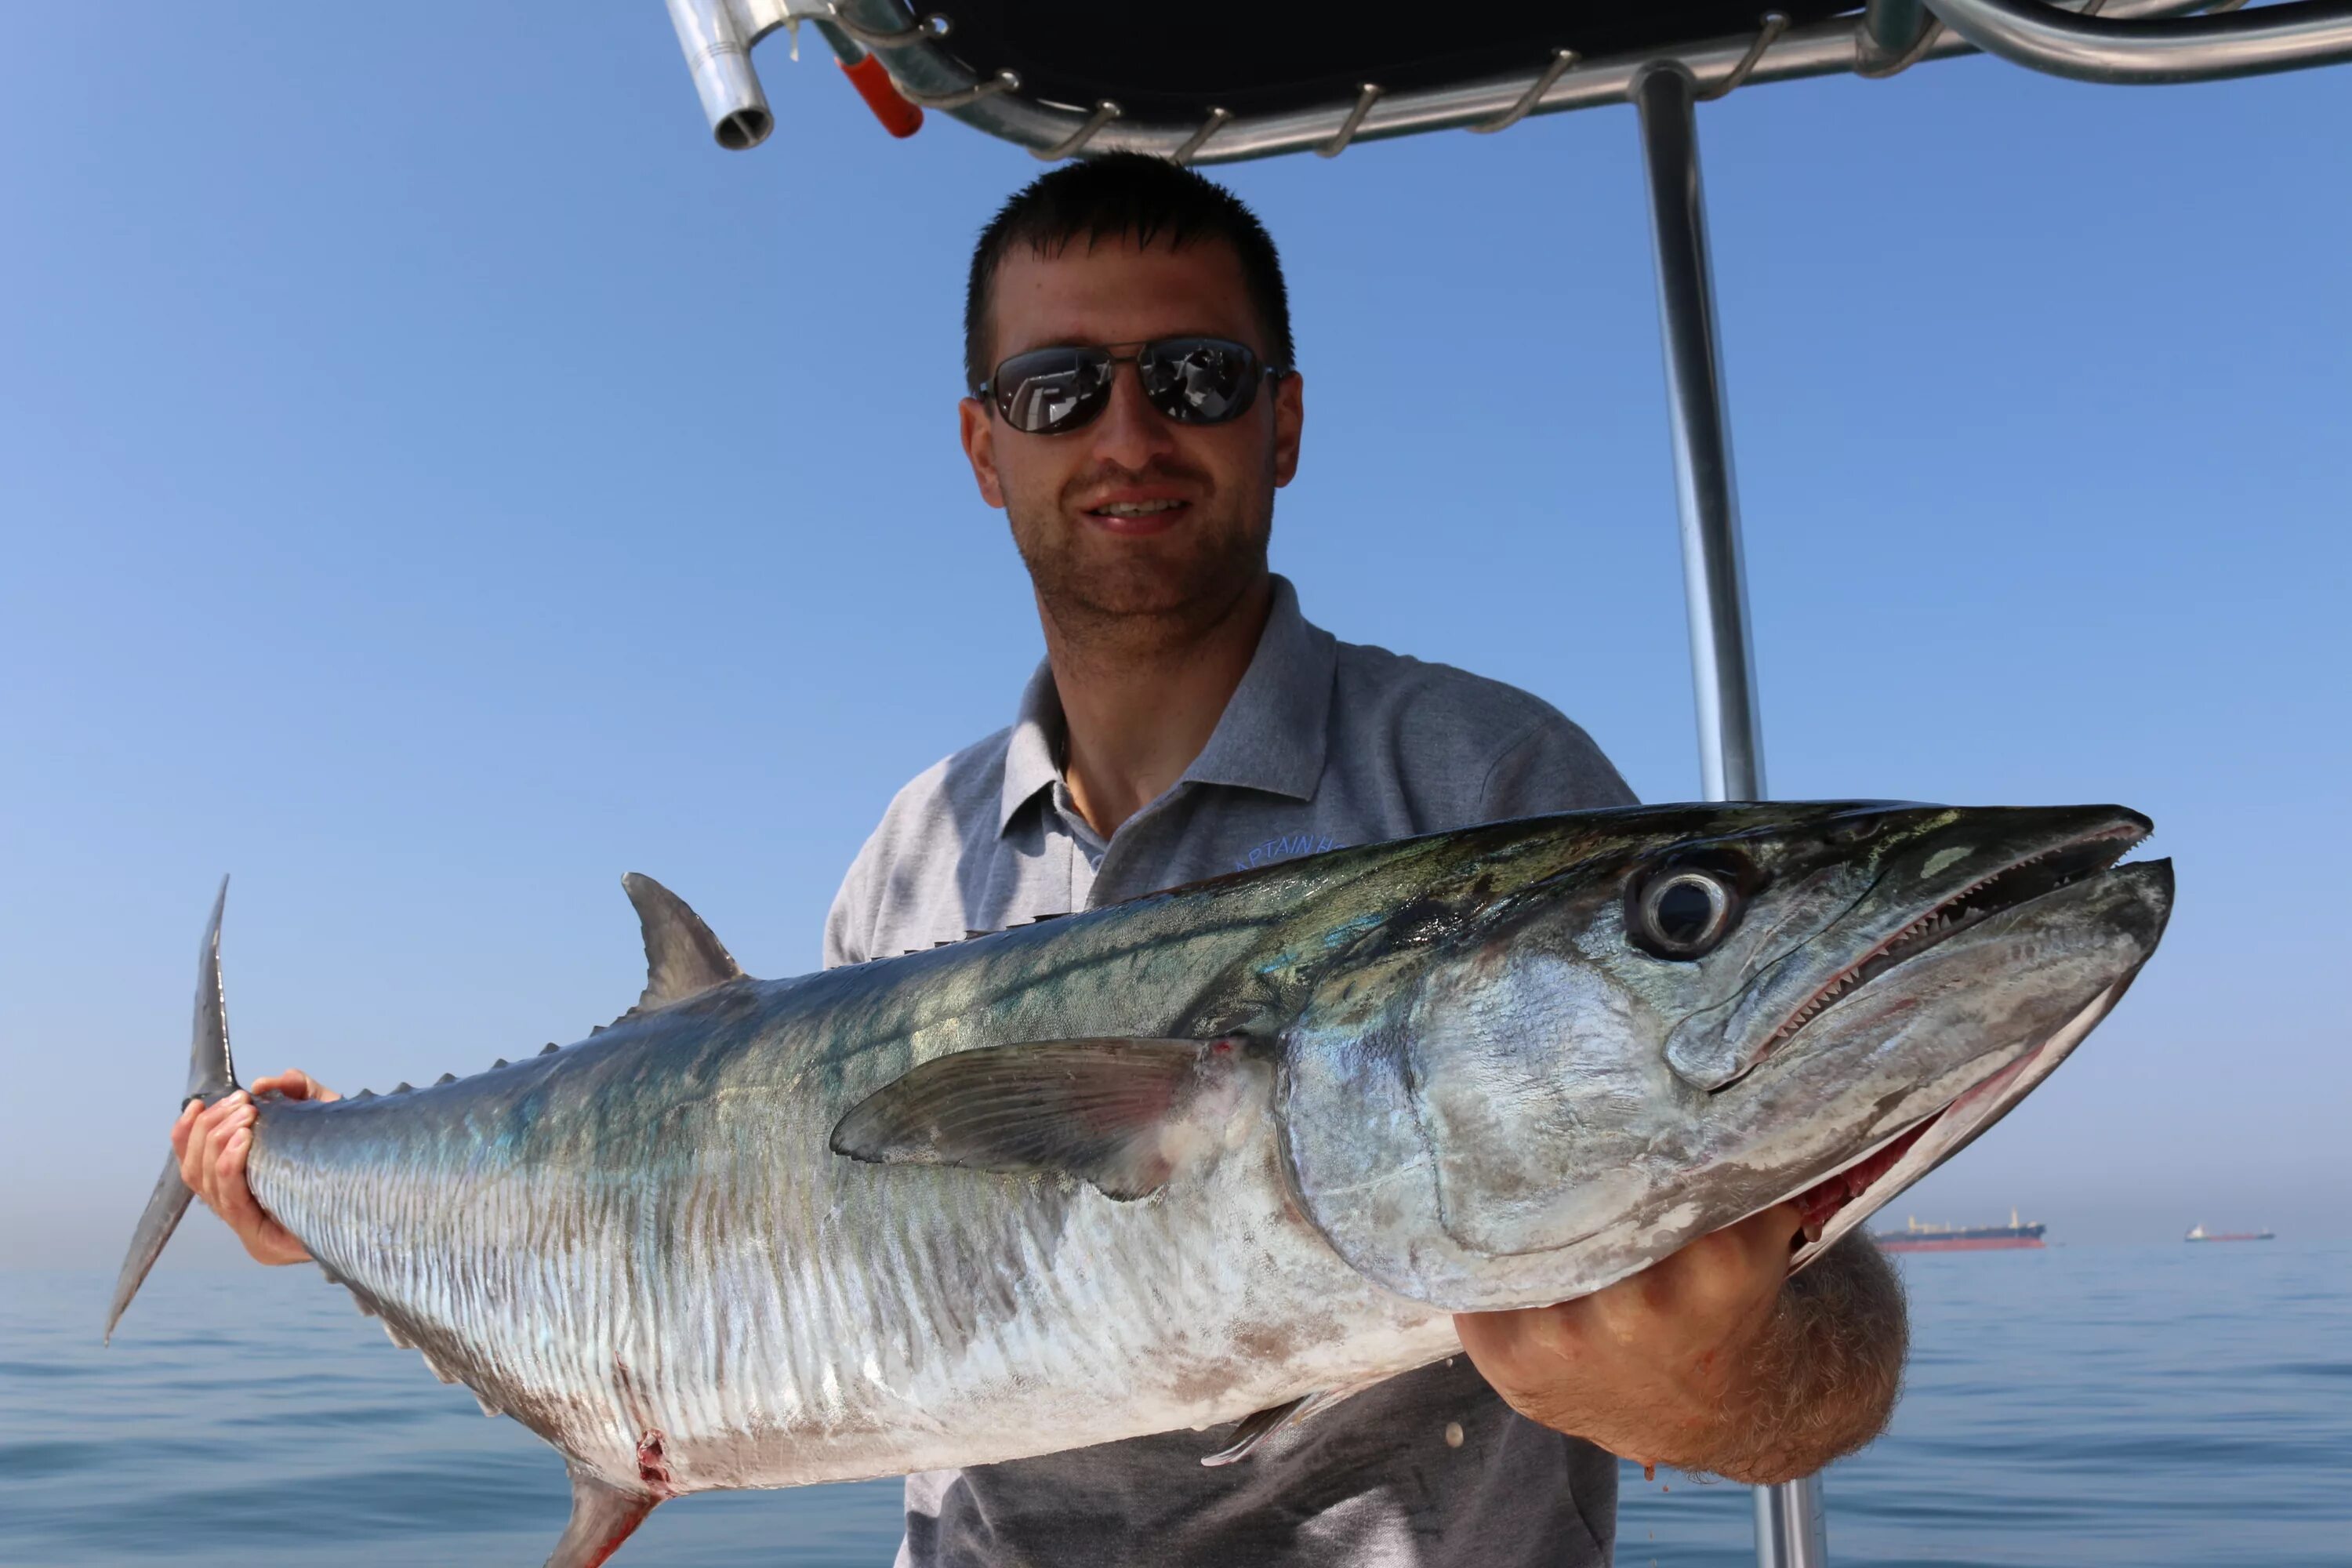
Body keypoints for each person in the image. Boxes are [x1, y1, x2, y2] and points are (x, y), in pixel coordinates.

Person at [173, 154, 1906, 1568]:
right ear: (984, 445)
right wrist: (315, 1200)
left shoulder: (1484, 780)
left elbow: (1830, 1363)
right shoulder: (912, 858)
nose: (1130, 434)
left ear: (1282, 424)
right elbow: (730, 1251)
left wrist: (1713, 1379)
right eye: (1061, 389)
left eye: (1197, 379)